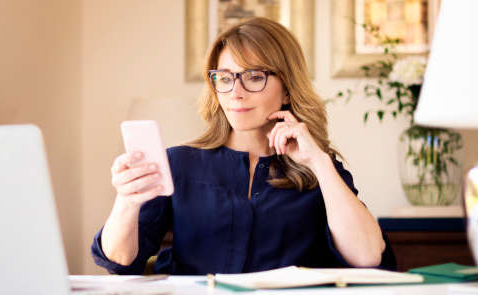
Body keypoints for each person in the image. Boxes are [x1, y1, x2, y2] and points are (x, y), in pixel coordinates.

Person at [91, 17, 393, 275]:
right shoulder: (179, 164)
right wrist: (127, 201)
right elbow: (119, 261)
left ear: (287, 89)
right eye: (225, 78)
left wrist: (320, 163)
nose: (236, 92)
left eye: (254, 77)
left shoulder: (319, 171)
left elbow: (368, 257)